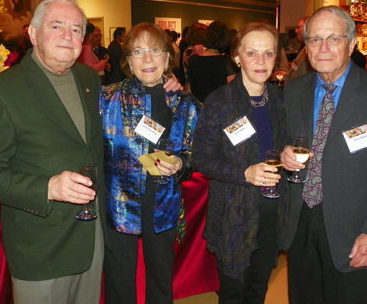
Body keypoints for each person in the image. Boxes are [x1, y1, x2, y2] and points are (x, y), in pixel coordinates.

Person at [0, 0, 107, 304]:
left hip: (91, 234)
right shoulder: (0, 94)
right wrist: (48, 187)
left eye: (75, 29)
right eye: (56, 26)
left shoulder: (88, 79)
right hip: (41, 245)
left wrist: (162, 84)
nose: (67, 36)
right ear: (32, 33)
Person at [281, 5, 367, 304]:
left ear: (351, 43)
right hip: (300, 225)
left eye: (334, 39)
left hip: (354, 230)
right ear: (305, 46)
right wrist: (285, 152)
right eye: (314, 40)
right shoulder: (294, 90)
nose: (323, 48)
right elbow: (285, 141)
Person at [101, 22, 200, 304]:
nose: (147, 59)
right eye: (138, 51)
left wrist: (181, 164)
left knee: (160, 280)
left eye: (155, 50)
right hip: (119, 203)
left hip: (163, 202)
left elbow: (195, 154)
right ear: (128, 61)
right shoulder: (107, 98)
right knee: (119, 281)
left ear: (168, 58)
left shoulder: (185, 103)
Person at [192, 21, 288, 303]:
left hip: (272, 208)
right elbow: (201, 158)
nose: (261, 61)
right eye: (252, 53)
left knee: (258, 288)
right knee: (234, 293)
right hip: (235, 213)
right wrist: (244, 172)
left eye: (268, 53)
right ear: (237, 57)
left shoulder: (279, 99)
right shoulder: (220, 102)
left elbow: (282, 146)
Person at [187, 20, 237, 103]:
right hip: (219, 108)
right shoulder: (227, 62)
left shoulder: (193, 59)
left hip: (198, 107)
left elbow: (190, 87)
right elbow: (232, 91)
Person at [286, 16, 313, 83]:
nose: (296, 30)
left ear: (308, 27)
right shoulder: (303, 47)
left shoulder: (311, 50)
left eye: (299, 27)